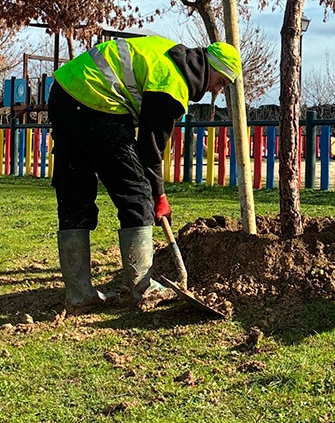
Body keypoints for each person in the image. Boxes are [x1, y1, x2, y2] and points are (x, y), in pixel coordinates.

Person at [48, 35, 241, 314]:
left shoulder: (170, 53)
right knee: (137, 195)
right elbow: (149, 151)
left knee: (74, 190)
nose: (216, 91)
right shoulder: (171, 82)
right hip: (99, 102)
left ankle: (79, 294)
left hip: (65, 90)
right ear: (209, 66)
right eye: (220, 81)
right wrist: (158, 196)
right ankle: (144, 289)